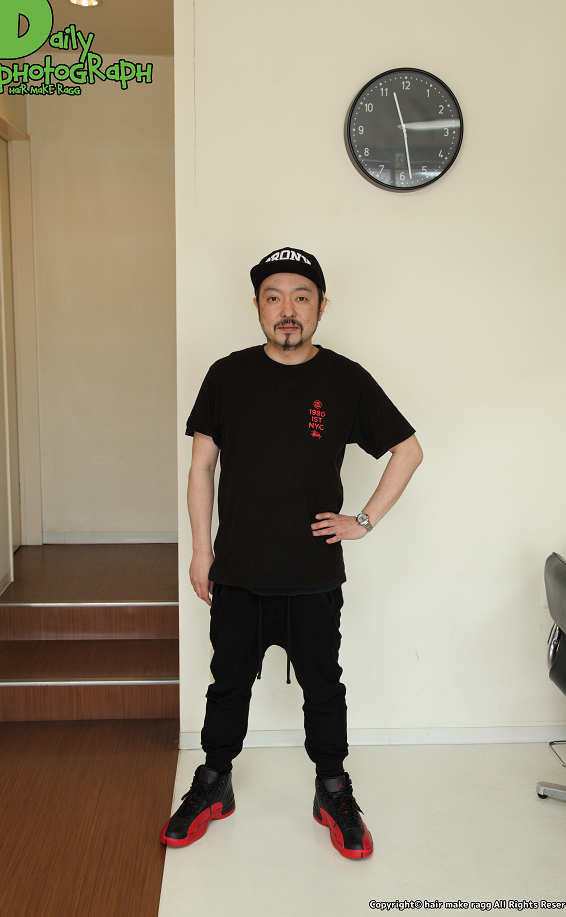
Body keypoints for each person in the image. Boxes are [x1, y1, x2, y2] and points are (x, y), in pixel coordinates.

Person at [161, 247, 423, 859]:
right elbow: (201, 468)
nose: (288, 309)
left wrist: (362, 521)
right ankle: (214, 780)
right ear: (257, 306)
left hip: (312, 574)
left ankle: (332, 789)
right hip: (238, 571)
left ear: (320, 307)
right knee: (228, 684)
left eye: (301, 297)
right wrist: (201, 551)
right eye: (273, 297)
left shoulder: (345, 379)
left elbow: (407, 450)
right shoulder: (226, 375)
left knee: (323, 687)